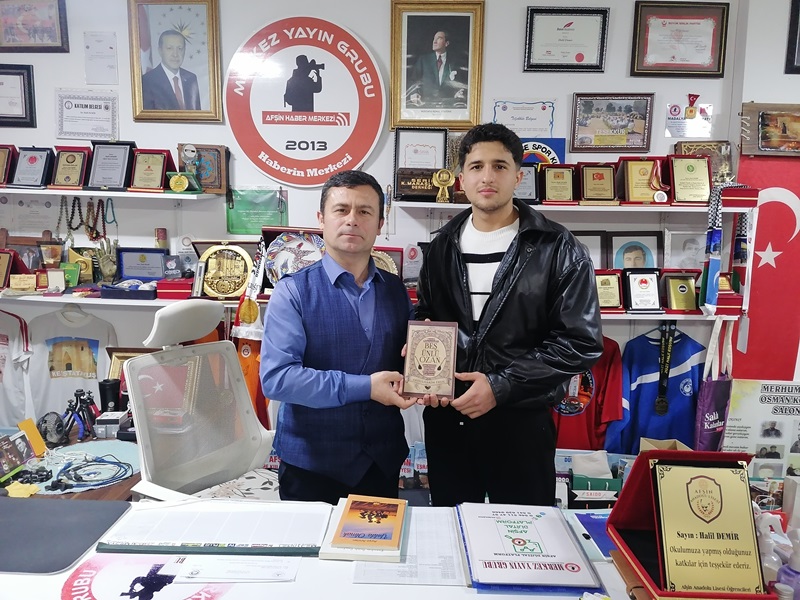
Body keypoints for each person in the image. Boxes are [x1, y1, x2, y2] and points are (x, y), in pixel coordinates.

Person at [415, 123, 603, 507]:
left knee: (524, 532)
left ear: (518, 177)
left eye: (499, 166)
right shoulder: (439, 248)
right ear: (461, 179)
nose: (487, 177)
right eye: (476, 166)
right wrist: (419, 347)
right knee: (452, 524)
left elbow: (580, 341)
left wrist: (500, 386)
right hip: (449, 419)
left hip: (521, 421)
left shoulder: (558, 247)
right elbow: (427, 313)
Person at [260, 170, 416, 505]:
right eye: (341, 210)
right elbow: (278, 379)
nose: (352, 220)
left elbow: (406, 361)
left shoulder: (395, 290)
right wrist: (365, 387)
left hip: (381, 463)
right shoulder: (292, 292)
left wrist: (426, 374)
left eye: (365, 211)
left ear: (380, 223)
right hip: (311, 468)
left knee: (376, 541)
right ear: (321, 219)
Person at [141, 29, 201, 110]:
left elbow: (197, 115)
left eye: (180, 48)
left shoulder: (191, 78)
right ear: (160, 50)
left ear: (184, 50)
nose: (175, 54)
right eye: (169, 48)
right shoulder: (147, 81)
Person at [407, 30, 466, 107]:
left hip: (449, 105)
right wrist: (414, 93)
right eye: (434, 38)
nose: (434, 41)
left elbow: (461, 83)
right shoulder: (424, 60)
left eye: (439, 38)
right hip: (425, 104)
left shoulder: (455, 61)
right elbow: (413, 80)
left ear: (446, 43)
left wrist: (460, 92)